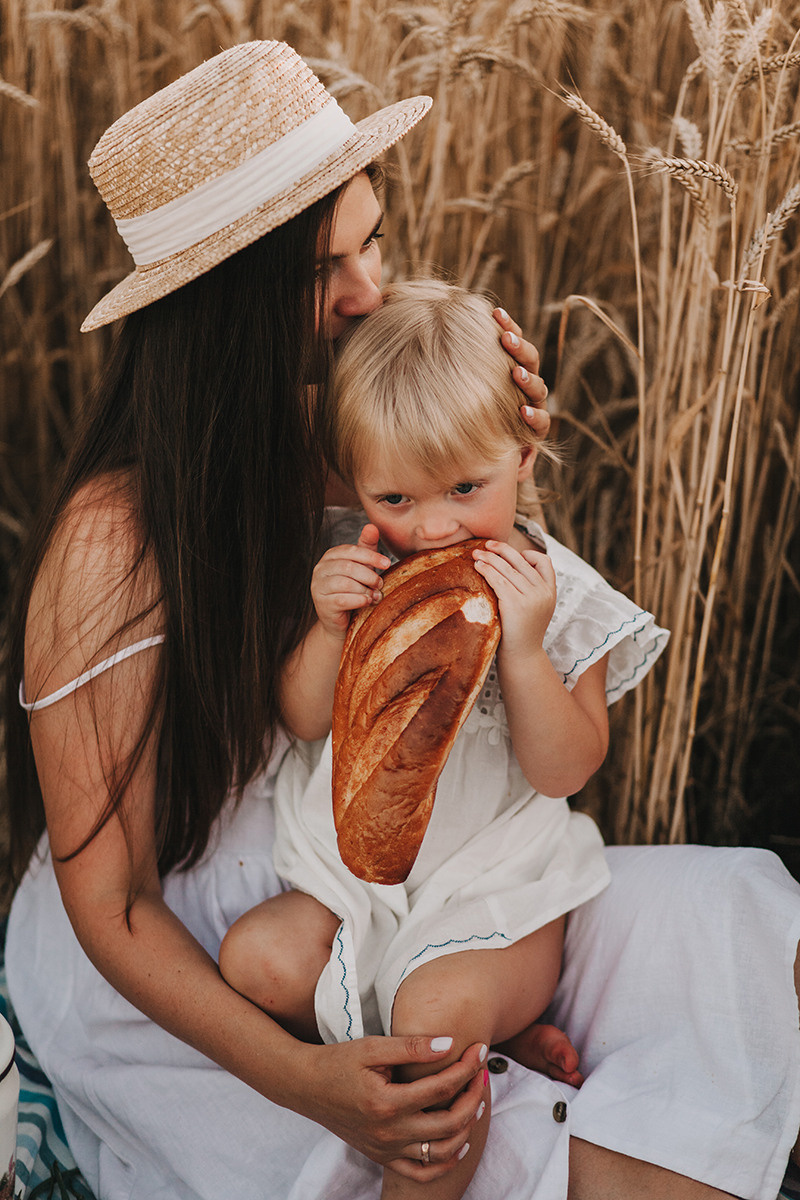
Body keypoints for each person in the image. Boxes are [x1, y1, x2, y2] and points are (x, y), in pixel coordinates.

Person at [3, 37, 800, 1200]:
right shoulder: (110, 544)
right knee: (515, 1159)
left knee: (743, 930)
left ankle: (489, 1024)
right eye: (323, 268)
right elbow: (112, 907)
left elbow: (491, 604)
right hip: (215, 958)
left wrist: (494, 444)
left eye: (369, 237)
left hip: (440, 867)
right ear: (227, 305)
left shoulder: (356, 435)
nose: (368, 291)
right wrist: (301, 1079)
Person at [218, 279, 670, 1200]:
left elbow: (567, 765)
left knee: (429, 1020)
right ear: (355, 477)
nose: (430, 526)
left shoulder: (551, 591)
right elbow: (304, 720)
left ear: (524, 450)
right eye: (396, 495)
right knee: (252, 960)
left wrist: (528, 652)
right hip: (354, 883)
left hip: (495, 892)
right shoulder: (358, 561)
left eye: (468, 488)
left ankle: (434, 1135)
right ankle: (493, 1051)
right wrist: (326, 629)